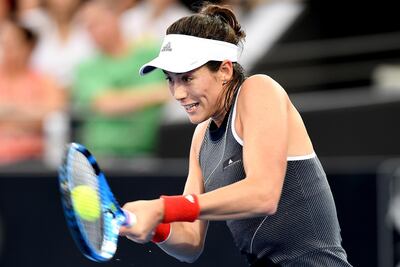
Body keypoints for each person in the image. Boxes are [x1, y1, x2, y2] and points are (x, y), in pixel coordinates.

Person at [119, 4, 353, 267]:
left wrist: (163, 208)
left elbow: (263, 195)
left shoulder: (259, 90)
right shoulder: (201, 138)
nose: (178, 93)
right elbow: (191, 241)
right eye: (170, 79)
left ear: (225, 70)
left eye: (187, 78)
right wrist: (154, 227)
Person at [72, 0, 169, 158]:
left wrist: (122, 98)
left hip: (148, 152)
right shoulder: (86, 68)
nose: (93, 32)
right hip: (101, 153)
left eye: (97, 23)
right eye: (87, 27)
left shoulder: (150, 53)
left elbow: (169, 92)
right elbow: (107, 104)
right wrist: (151, 95)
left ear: (115, 18)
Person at [0, 18, 65, 165]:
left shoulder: (46, 80)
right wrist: (29, 115)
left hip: (34, 161)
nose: (7, 51)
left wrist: (9, 110)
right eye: (4, 45)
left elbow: (53, 115)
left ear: (28, 47)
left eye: (12, 45)